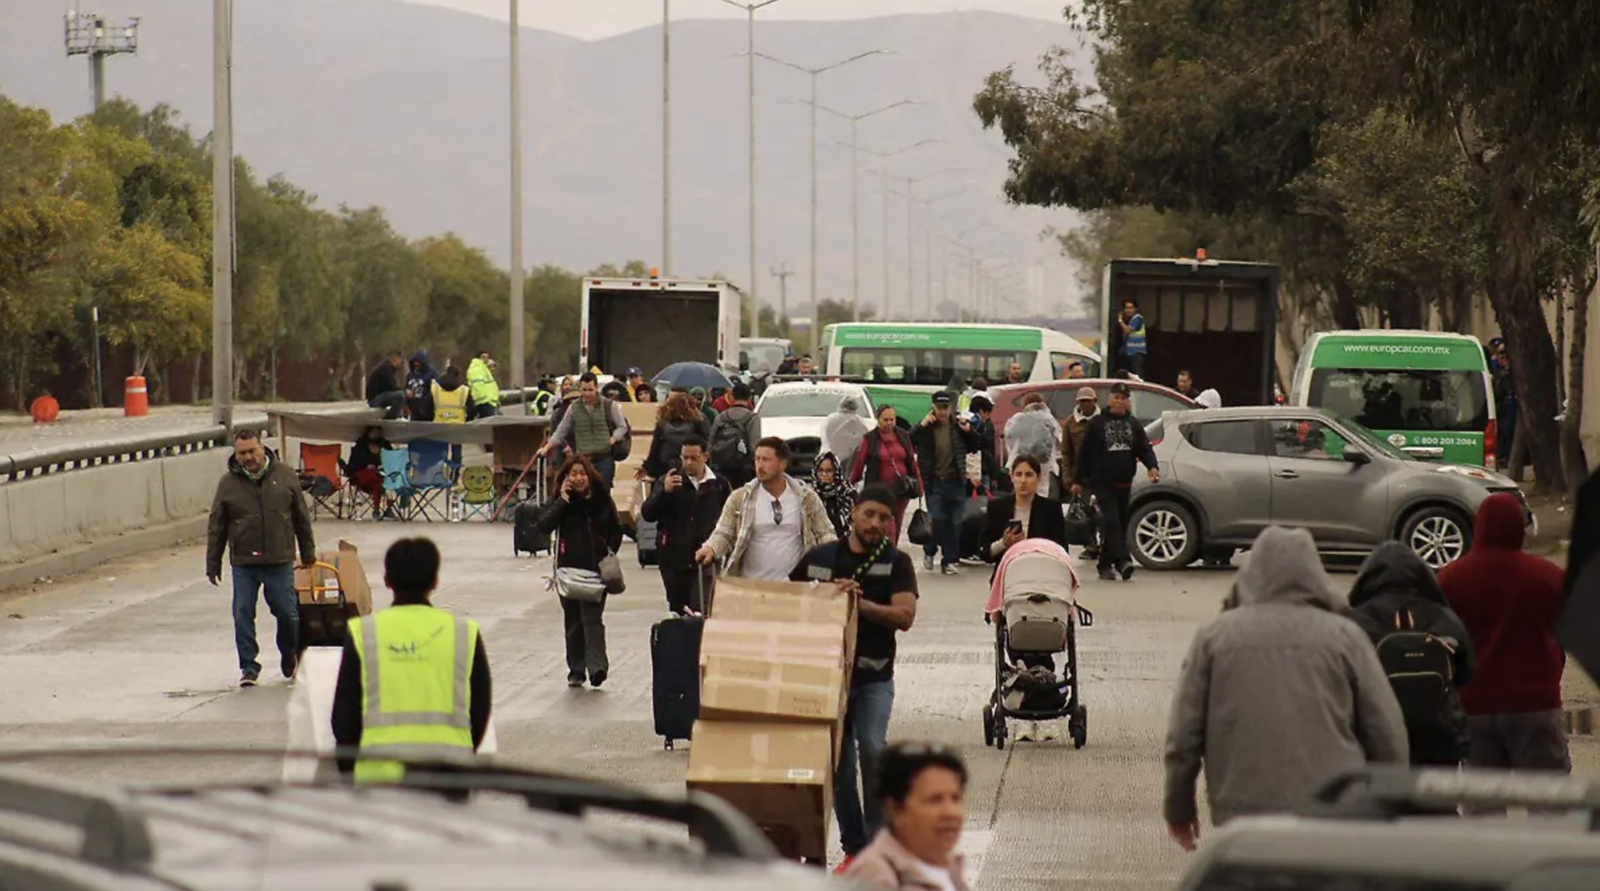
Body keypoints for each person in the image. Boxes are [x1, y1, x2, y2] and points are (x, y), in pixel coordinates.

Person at [1163, 526, 1409, 850]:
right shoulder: (1346, 637)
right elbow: (1386, 731)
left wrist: (1179, 807)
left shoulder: (1214, 638)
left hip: (1243, 811)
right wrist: (1388, 804)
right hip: (1335, 808)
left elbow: (1184, 736)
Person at [792, 486, 918, 868]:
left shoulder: (897, 563)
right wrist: (826, 598)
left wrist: (859, 605)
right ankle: (856, 847)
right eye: (870, 515)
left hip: (874, 678)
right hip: (827, 681)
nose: (876, 523)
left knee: (874, 749)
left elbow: (905, 617)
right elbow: (787, 603)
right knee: (840, 765)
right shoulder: (819, 558)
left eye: (884, 517)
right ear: (853, 514)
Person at [330, 537, 492, 782]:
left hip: (378, 777)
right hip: (449, 774)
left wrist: (349, 771)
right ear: (435, 581)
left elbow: (345, 716)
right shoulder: (464, 633)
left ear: (387, 581)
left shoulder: (364, 633)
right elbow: (479, 710)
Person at [1438, 492, 1570, 777]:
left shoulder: (1451, 577)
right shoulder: (1547, 577)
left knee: (1483, 806)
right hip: (1536, 702)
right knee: (1550, 803)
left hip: (1474, 704)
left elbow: (1443, 637)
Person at [1348, 541, 1477, 767]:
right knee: (1436, 801)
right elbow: (1467, 672)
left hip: (1377, 739)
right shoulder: (1441, 615)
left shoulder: (1355, 619)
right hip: (1439, 738)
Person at [205, 429, 315, 687]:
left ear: (262, 448)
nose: (248, 457)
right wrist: (213, 563)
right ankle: (249, 667)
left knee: (288, 613)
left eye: (252, 451)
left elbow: (301, 517)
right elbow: (217, 526)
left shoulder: (285, 475)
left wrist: (308, 552)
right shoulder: (228, 484)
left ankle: (289, 654)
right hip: (245, 563)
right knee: (242, 612)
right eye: (242, 453)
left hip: (279, 559)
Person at [536, 454, 623, 688]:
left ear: (590, 475)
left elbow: (616, 530)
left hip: (596, 572)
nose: (578, 478)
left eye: (582, 473)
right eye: (573, 474)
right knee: (573, 622)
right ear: (566, 477)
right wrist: (563, 500)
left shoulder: (602, 500)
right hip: (568, 571)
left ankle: (597, 668)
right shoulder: (561, 502)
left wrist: (607, 553)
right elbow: (544, 525)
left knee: (592, 620)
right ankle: (576, 670)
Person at [696, 437, 835, 579]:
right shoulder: (740, 498)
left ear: (783, 464)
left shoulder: (806, 498)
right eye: (757, 459)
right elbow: (724, 532)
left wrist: (835, 559)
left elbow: (825, 533)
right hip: (752, 587)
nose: (760, 465)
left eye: (766, 460)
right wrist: (710, 549)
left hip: (795, 589)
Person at [843, 743, 970, 890]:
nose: (950, 813)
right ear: (894, 810)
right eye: (934, 800)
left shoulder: (948, 867)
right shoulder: (874, 877)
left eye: (956, 798)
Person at [1071, 382, 1159, 581]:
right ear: (1110, 399)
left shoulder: (1133, 424)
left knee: (1118, 524)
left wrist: (1152, 467)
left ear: (1127, 402)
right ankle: (1123, 561)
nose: (1119, 402)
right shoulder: (1097, 423)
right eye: (1116, 397)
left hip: (1124, 484)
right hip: (1102, 483)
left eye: (1123, 398)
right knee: (1112, 522)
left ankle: (1104, 564)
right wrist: (1077, 479)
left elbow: (1144, 448)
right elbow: (1084, 453)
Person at [640, 435, 731, 614]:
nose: (688, 463)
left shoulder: (718, 484)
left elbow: (728, 519)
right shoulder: (669, 480)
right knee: (678, 611)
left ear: (705, 457)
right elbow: (648, 514)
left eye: (693, 458)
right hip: (674, 558)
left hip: (705, 558)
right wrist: (664, 492)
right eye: (684, 458)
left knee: (701, 610)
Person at [912, 391, 981, 575]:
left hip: (955, 481)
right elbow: (909, 440)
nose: (942, 412)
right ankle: (929, 551)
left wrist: (969, 431)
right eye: (939, 408)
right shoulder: (927, 426)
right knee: (938, 519)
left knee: (955, 523)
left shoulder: (957, 425)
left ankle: (949, 560)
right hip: (934, 481)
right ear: (933, 407)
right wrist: (921, 424)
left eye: (945, 408)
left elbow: (976, 445)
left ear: (950, 408)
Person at [539, 372, 631, 489]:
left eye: (590, 390)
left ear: (596, 388)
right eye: (584, 390)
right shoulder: (574, 408)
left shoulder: (609, 405)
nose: (587, 394)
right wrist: (547, 447)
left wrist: (613, 439)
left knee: (602, 493)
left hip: (604, 459)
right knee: (584, 494)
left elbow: (622, 426)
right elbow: (561, 431)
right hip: (583, 461)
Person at [850, 405, 924, 542]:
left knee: (897, 525)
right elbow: (859, 464)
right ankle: (882, 554)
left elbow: (912, 463)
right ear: (878, 420)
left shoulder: (903, 435)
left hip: (902, 490)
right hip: (879, 492)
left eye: (892, 419)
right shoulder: (870, 439)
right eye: (886, 420)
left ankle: (891, 555)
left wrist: (919, 485)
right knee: (885, 526)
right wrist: (850, 484)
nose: (889, 423)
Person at [984, 455, 1069, 561]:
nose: (1023, 481)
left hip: (1041, 569)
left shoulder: (1051, 509)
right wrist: (1003, 543)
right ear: (1011, 477)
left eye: (1029, 475)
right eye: (1018, 475)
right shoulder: (996, 507)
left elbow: (1062, 550)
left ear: (1038, 478)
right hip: (1008, 570)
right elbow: (985, 553)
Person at [1003, 393, 1063, 499]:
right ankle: (1039, 512)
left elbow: (1009, 435)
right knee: (1042, 488)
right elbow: (1058, 438)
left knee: (1022, 487)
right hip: (1043, 461)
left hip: (1022, 460)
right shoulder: (1048, 419)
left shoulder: (1019, 419)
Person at [642, 392, 710, 480]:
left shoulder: (662, 423)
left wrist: (648, 468)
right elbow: (706, 443)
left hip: (665, 468)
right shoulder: (698, 421)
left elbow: (654, 449)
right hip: (691, 467)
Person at [708, 382, 761, 489]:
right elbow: (754, 446)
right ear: (749, 397)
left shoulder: (721, 417)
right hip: (743, 468)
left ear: (732, 397)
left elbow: (711, 442)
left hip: (722, 466)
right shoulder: (752, 418)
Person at [344, 427, 391, 518]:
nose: (376, 435)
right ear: (368, 433)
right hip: (362, 476)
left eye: (378, 433)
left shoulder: (385, 446)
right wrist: (366, 466)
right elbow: (353, 465)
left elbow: (391, 461)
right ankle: (383, 509)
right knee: (376, 477)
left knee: (379, 480)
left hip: (378, 478)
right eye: (374, 432)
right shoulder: (360, 446)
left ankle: (377, 510)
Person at [811, 451, 855, 540]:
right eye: (820, 470)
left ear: (836, 472)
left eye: (828, 471)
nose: (824, 474)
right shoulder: (810, 496)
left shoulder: (847, 494)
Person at [823, 394, 872, 472]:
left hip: (832, 457)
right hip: (853, 459)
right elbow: (865, 440)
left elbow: (826, 438)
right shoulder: (859, 421)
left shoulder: (831, 419)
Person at [365, 352, 406, 420]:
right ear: (396, 360)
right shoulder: (386, 368)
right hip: (375, 400)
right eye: (400, 361)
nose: (400, 364)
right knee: (401, 395)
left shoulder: (386, 367)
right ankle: (390, 419)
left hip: (378, 397)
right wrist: (405, 391)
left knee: (400, 396)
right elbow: (392, 386)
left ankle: (399, 415)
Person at [403, 351, 438, 421]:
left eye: (419, 362)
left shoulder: (432, 374)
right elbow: (406, 389)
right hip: (413, 410)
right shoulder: (410, 375)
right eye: (415, 362)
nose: (416, 364)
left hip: (427, 411)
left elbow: (435, 391)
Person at [466, 351, 501, 421]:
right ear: (478, 358)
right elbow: (478, 386)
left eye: (487, 357)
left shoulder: (483, 369)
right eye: (483, 357)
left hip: (489, 402)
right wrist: (485, 399)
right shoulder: (476, 369)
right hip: (484, 402)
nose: (486, 359)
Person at [1117, 300, 1148, 378]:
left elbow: (1127, 330)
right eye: (1127, 308)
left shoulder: (1137, 318)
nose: (1129, 310)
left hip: (1137, 352)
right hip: (1128, 352)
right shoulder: (1129, 320)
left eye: (1131, 308)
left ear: (1135, 309)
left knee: (1137, 375)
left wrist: (1120, 320)